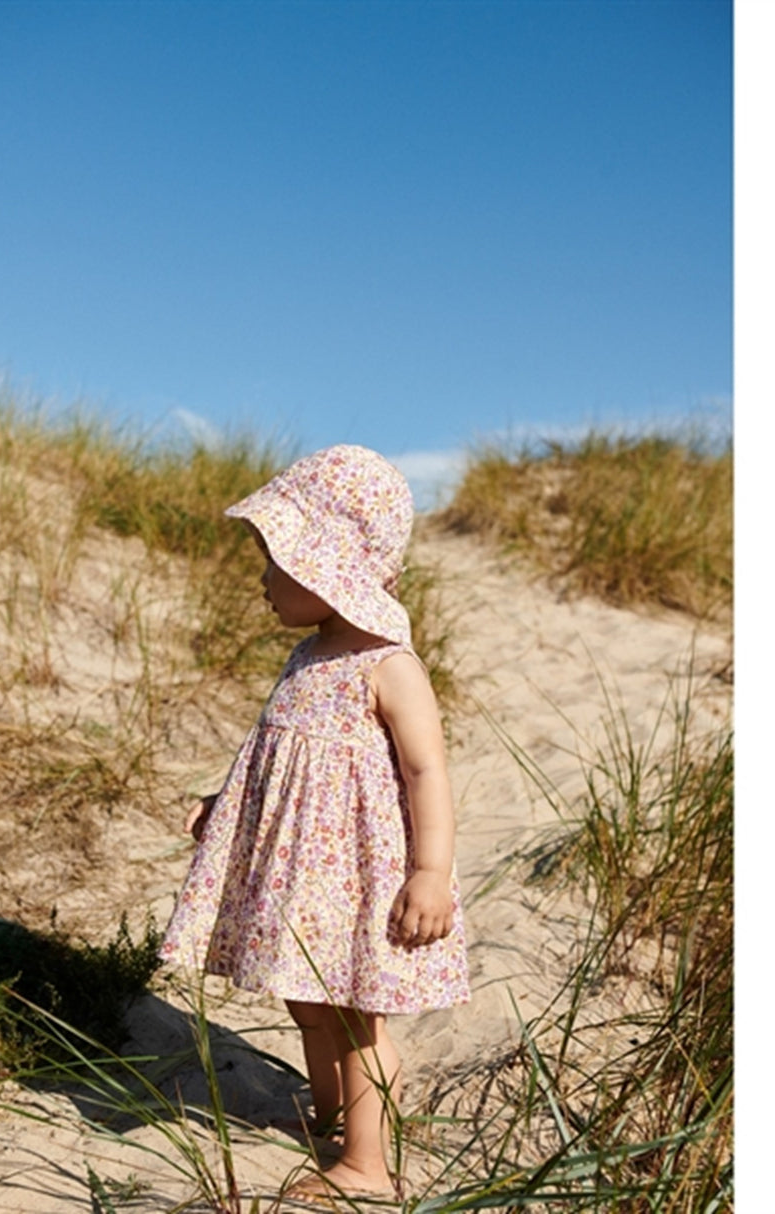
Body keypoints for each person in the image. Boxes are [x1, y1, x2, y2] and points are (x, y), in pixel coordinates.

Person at [159, 444, 470, 1203]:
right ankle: (334, 1115)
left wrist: (430, 873)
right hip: (299, 876)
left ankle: (366, 1163)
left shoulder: (388, 665)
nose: (263, 579)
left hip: (362, 878)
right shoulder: (308, 655)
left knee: (360, 1016)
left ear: (330, 569)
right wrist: (224, 802)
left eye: (276, 562)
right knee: (306, 996)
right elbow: (275, 749)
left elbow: (427, 772)